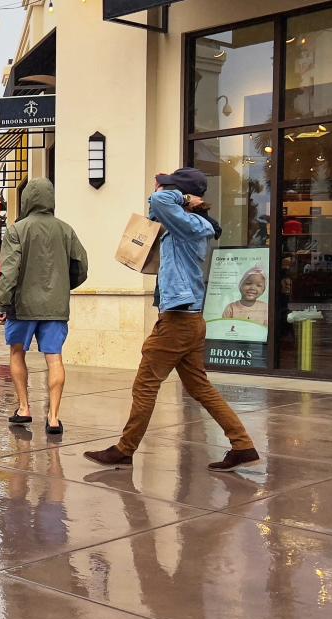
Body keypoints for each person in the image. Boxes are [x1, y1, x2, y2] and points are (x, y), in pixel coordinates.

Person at [85, 167, 260, 472]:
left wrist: (179, 194)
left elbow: (159, 201)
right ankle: (242, 445)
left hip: (178, 321)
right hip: (188, 319)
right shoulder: (189, 224)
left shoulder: (189, 223)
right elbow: (157, 207)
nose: (161, 190)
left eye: (171, 188)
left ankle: (125, 450)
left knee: (145, 385)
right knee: (201, 388)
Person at [0, 178, 88, 435]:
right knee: (54, 357)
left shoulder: (17, 230)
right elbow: (81, 266)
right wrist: (62, 286)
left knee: (17, 353)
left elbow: (9, 272)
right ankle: (54, 417)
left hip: (22, 306)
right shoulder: (66, 229)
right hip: (55, 307)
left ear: (26, 200)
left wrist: (3, 303)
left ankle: (24, 408)